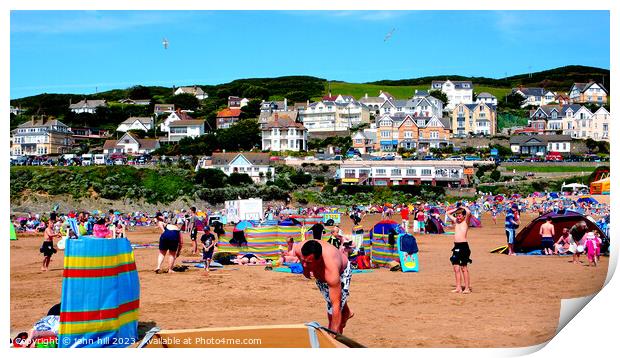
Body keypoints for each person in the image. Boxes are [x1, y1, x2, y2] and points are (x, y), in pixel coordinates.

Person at [293, 239, 354, 334]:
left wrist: (333, 333)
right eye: (304, 260)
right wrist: (305, 269)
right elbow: (301, 258)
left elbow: (335, 304)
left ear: (319, 259)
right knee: (338, 302)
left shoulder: (331, 269)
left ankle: (337, 337)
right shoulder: (299, 249)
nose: (305, 264)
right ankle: (346, 312)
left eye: (309, 263)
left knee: (333, 310)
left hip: (342, 272)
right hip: (321, 277)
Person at [446, 206, 473, 294]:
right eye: (457, 216)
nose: (458, 217)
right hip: (456, 246)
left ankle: (467, 288)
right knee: (456, 268)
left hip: (463, 246)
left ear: (464, 216)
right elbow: (448, 213)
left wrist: (462, 207)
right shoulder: (456, 222)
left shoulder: (466, 222)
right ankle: (458, 287)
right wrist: (457, 209)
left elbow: (468, 212)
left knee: (463, 268)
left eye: (460, 216)